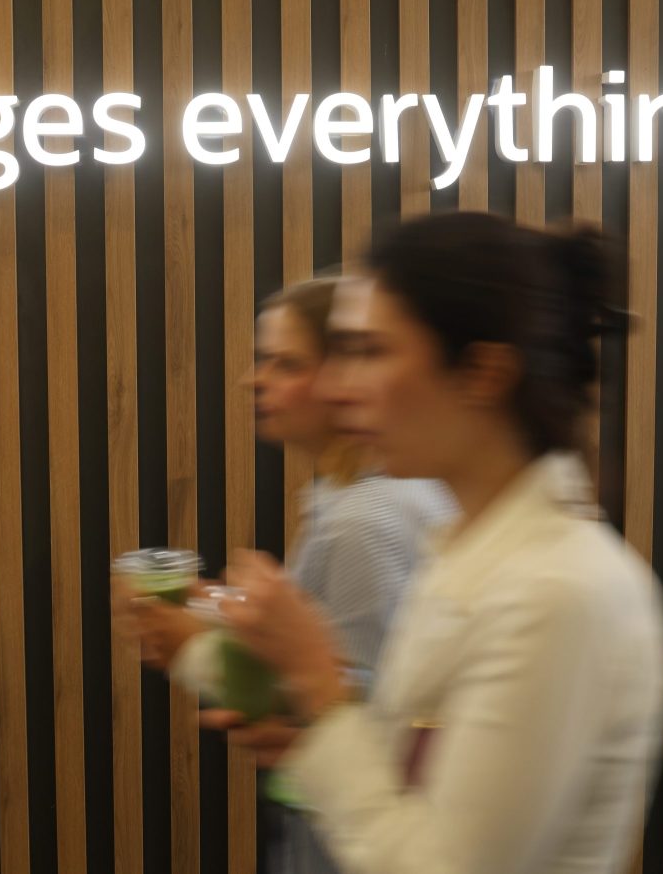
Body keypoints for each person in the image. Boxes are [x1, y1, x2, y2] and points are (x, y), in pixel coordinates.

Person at [208, 213, 663, 874]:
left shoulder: (556, 592)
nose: (340, 388)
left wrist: (319, 686)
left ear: (482, 372)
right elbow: (419, 792)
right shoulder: (466, 553)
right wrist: (313, 738)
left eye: (371, 351)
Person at [119, 275, 454, 874]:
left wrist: (195, 650)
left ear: (344, 380)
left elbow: (359, 715)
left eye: (284, 362)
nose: (256, 379)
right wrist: (221, 610)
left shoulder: (360, 520)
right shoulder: (368, 496)